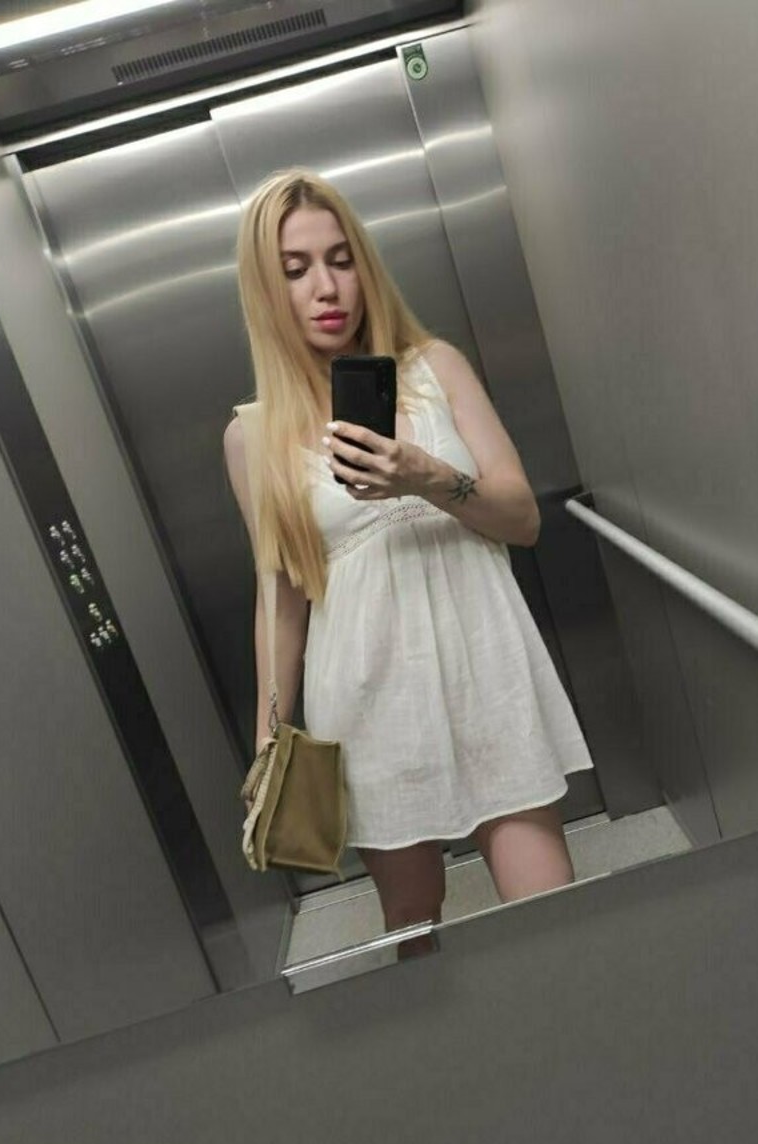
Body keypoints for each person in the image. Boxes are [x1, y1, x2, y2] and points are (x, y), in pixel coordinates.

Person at [223, 167, 593, 949]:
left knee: (555, 916)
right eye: (296, 269)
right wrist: (268, 741)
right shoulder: (253, 437)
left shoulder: (436, 368)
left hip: (484, 665)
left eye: (341, 259)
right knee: (412, 923)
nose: (327, 287)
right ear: (265, 289)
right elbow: (281, 601)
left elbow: (522, 518)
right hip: (365, 693)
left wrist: (424, 476)